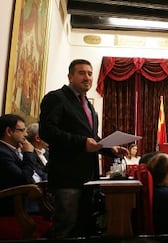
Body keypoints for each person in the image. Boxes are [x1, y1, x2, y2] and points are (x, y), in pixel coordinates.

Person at [39, 59, 128, 238]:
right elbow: (47, 132)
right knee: (66, 228)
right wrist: (81, 143)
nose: (87, 77)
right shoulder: (56, 98)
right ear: (70, 76)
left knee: (84, 228)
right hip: (67, 178)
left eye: (89, 73)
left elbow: (92, 140)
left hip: (89, 178)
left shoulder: (88, 105)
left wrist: (110, 148)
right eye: (81, 73)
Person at [0, 114, 38, 215]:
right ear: (9, 131)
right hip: (14, 207)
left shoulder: (13, 150)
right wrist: (28, 154)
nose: (26, 135)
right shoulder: (2, 153)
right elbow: (25, 180)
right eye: (22, 130)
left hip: (26, 201)